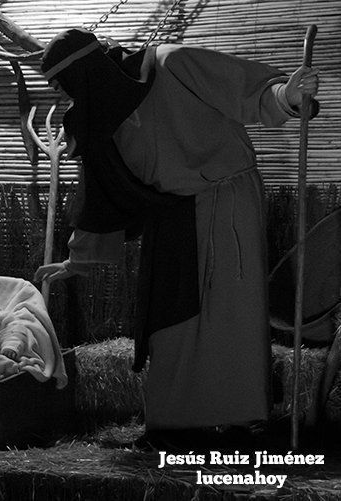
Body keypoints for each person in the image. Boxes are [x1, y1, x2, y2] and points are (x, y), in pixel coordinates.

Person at [33, 28, 320, 448]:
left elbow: (241, 89)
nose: (65, 97)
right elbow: (101, 197)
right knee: (169, 320)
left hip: (226, 199)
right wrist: (75, 262)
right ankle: (171, 424)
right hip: (171, 217)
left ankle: (239, 421)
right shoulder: (99, 117)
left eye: (63, 85)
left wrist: (285, 96)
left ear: (84, 70)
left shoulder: (170, 64)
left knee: (230, 315)